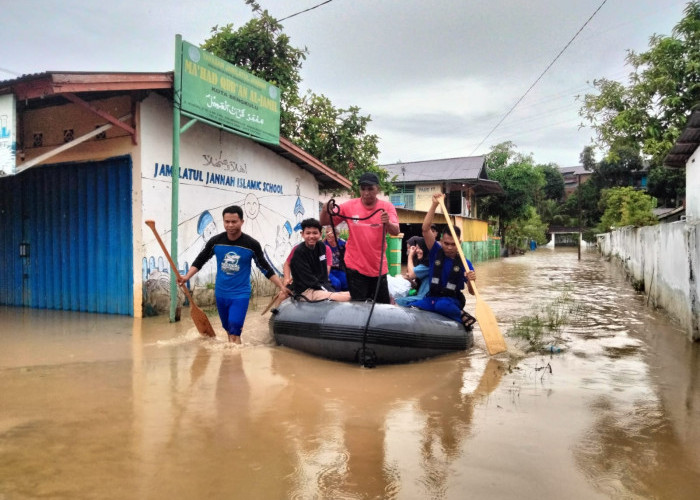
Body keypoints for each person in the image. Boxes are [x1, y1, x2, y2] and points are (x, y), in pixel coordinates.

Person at [178, 205, 288, 344]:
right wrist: (187, 276)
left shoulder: (251, 244)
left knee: (235, 326)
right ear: (223, 222)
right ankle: (230, 361)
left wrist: (281, 286)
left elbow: (264, 267)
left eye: (234, 222)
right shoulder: (215, 242)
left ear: (242, 222)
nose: (230, 225)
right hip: (221, 293)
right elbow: (201, 259)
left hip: (240, 294)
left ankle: (234, 357)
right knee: (229, 329)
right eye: (227, 222)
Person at [319, 172, 400, 303]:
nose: (366, 192)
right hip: (355, 266)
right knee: (359, 306)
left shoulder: (387, 207)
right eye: (363, 189)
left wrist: (388, 223)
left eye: (370, 189)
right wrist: (324, 210)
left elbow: (396, 231)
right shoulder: (349, 206)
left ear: (377, 189)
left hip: (378, 267)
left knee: (382, 306)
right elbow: (324, 222)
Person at [409, 193, 477, 330]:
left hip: (451, 300)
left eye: (454, 244)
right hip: (432, 298)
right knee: (410, 305)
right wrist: (434, 204)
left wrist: (470, 280)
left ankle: (462, 316)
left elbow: (472, 292)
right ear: (441, 242)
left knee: (442, 306)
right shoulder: (435, 251)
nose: (450, 247)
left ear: (459, 242)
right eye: (446, 243)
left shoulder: (465, 263)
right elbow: (425, 229)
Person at [283, 218, 351, 302]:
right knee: (347, 297)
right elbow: (309, 280)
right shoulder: (299, 252)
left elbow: (324, 272)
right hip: (307, 290)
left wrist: (326, 287)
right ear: (302, 234)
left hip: (320, 285)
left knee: (353, 294)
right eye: (308, 233)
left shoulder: (322, 247)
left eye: (315, 233)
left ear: (320, 234)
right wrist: (286, 279)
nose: (311, 236)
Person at [324, 226, 348, 291]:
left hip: (339, 269)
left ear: (337, 234)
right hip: (328, 270)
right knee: (336, 283)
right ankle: (335, 298)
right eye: (326, 232)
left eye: (330, 232)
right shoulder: (323, 244)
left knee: (346, 282)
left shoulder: (343, 243)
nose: (328, 234)